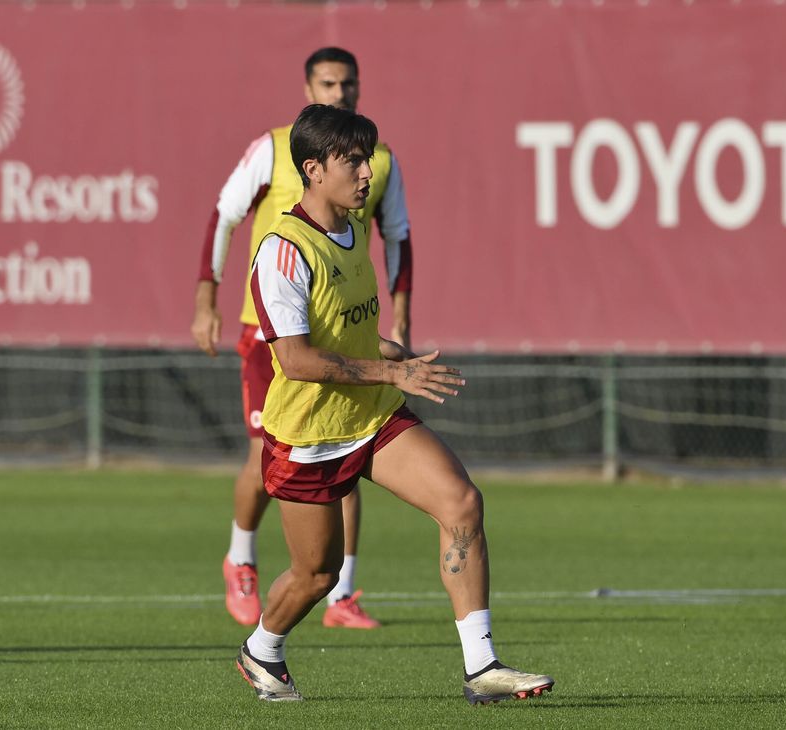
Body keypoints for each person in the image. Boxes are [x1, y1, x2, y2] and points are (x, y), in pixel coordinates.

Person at [234, 104, 554, 705]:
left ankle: (482, 667)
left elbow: (347, 333)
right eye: (352, 160)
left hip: (372, 414)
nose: (366, 172)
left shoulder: (355, 230)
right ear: (313, 169)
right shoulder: (283, 250)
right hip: (306, 435)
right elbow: (297, 360)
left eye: (369, 158)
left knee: (461, 502)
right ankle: (262, 650)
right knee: (317, 575)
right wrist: (389, 368)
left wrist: (392, 356)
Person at [192, 47, 414, 629]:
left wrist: (401, 322)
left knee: (347, 448)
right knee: (266, 454)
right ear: (307, 85)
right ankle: (241, 560)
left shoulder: (377, 162)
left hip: (341, 328)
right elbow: (224, 213)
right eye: (328, 83)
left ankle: (340, 593)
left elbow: (399, 239)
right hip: (269, 333)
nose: (339, 93)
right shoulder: (275, 148)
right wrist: (205, 298)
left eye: (348, 84)